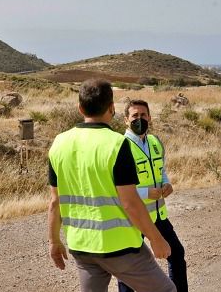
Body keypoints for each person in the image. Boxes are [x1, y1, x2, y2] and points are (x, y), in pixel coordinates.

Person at [47, 79, 176, 292]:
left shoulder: (59, 143)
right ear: (112, 108)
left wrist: (53, 241)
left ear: (80, 108)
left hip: (81, 246)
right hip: (120, 247)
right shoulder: (117, 144)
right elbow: (130, 202)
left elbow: (55, 201)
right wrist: (156, 238)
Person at [118, 99, 188, 292]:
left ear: (149, 117)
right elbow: (116, 189)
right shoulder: (120, 147)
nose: (139, 119)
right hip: (134, 217)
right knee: (129, 267)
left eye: (143, 115)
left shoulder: (155, 142)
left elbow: (161, 170)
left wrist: (167, 184)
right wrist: (146, 193)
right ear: (126, 120)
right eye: (134, 116)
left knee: (176, 253)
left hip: (158, 215)